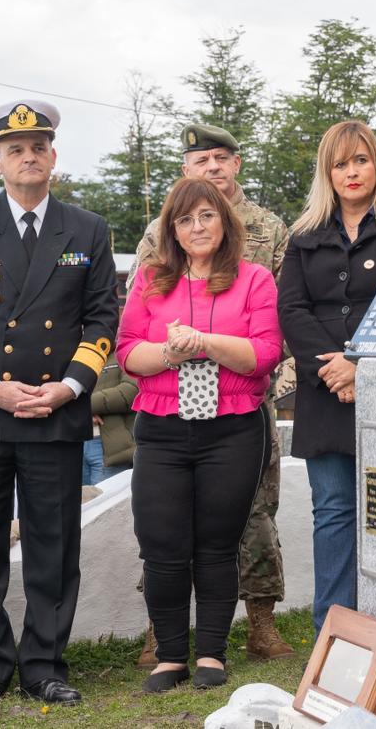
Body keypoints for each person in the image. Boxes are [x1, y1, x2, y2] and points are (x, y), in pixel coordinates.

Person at [0, 99, 118, 706]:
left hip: (54, 412)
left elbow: (100, 321)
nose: (28, 156)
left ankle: (44, 664)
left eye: (38, 146)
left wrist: (67, 387)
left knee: (53, 548)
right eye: (16, 149)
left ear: (53, 157)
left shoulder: (87, 230)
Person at [129, 122, 294, 663]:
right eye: (202, 161)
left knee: (253, 513)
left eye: (222, 158)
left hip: (245, 400)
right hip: (168, 405)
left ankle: (260, 622)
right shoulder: (159, 234)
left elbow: (282, 318)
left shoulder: (270, 229)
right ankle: (164, 630)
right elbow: (134, 327)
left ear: (236, 165)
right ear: (186, 171)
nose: (213, 168)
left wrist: (272, 382)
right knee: (164, 522)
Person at [278, 120, 376, 633]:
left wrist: (362, 363)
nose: (351, 172)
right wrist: (335, 369)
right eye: (340, 164)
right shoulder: (303, 235)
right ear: (327, 173)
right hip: (325, 395)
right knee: (333, 514)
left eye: (360, 160)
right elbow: (291, 310)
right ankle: (331, 635)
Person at [83, 351, 138, 486]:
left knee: (104, 503)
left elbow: (131, 392)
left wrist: (81, 408)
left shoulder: (127, 352)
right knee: (78, 504)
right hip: (74, 443)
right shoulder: (70, 355)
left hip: (110, 448)